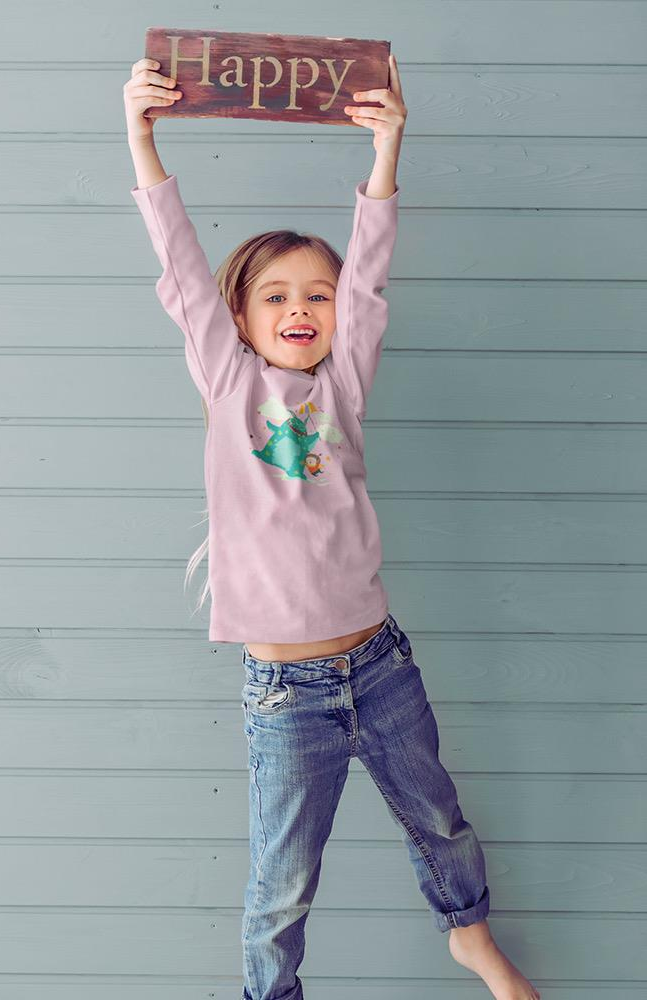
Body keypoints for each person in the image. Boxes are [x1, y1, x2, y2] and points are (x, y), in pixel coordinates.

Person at [123, 51, 540, 1000]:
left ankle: (469, 935)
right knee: (282, 885)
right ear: (238, 317)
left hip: (382, 666)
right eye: (276, 296)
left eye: (317, 294)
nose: (301, 309)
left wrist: (388, 149)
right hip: (287, 694)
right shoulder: (229, 385)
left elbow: (371, 276)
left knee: (441, 821)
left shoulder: (342, 390)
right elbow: (182, 268)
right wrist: (141, 138)